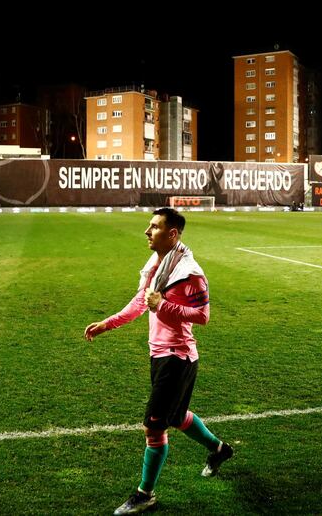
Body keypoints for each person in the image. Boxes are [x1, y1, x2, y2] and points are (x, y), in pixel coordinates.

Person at [84, 207, 233, 515]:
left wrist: (164, 305)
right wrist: (106, 323)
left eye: (154, 227)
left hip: (177, 358)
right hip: (160, 355)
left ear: (172, 234)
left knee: (154, 427)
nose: (147, 231)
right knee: (177, 417)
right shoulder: (158, 264)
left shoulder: (189, 273)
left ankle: (144, 493)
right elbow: (141, 302)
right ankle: (219, 450)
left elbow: (203, 316)